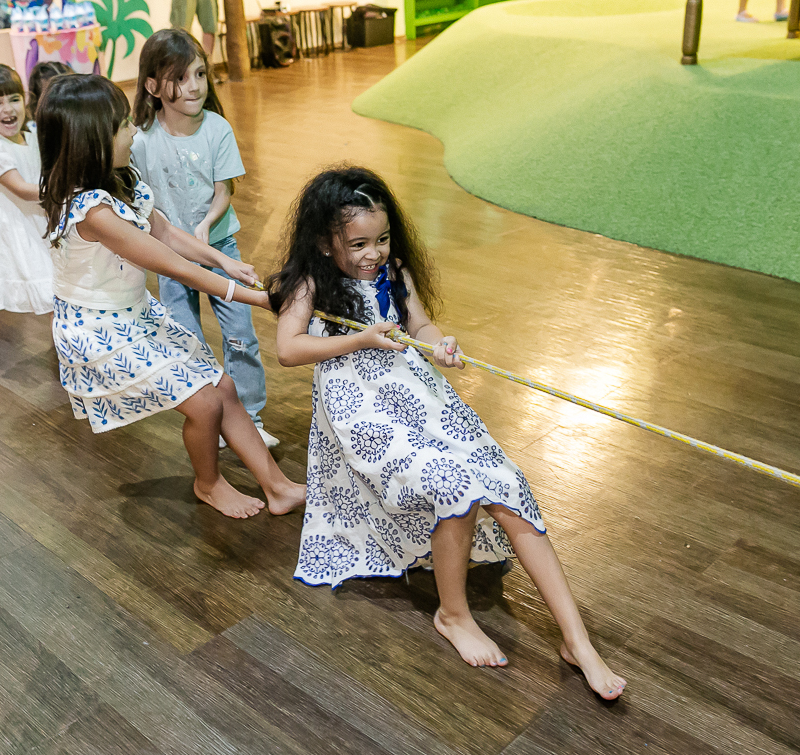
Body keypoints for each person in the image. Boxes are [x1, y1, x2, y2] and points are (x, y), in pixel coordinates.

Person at [267, 166, 627, 700]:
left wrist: (441, 344)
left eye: (382, 239)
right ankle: (453, 615)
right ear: (324, 242)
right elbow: (288, 349)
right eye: (359, 243)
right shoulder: (311, 281)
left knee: (509, 484)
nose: (374, 254)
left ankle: (578, 641)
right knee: (454, 488)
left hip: (418, 393)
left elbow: (421, 327)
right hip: (358, 406)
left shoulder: (397, 275)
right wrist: (360, 339)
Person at [36, 74, 305, 519]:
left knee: (224, 388)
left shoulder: (121, 180)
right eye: (123, 125)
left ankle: (278, 487)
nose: (135, 131)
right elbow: (170, 264)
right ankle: (209, 483)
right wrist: (252, 298)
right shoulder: (91, 211)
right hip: (98, 328)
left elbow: (163, 230)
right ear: (92, 140)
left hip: (133, 312)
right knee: (202, 404)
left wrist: (223, 261)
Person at [130, 29, 279, 449]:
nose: (194, 86)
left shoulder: (217, 128)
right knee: (186, 339)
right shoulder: (140, 140)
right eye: (180, 77)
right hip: (169, 260)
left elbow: (224, 191)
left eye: (199, 73)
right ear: (153, 86)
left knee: (241, 338)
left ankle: (248, 419)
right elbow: (143, 204)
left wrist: (208, 223)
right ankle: (212, 418)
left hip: (222, 249)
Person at [0, 64, 53, 315]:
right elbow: (22, 189)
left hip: (42, 218)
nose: (7, 109)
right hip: (17, 225)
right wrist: (67, 189)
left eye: (14, 99)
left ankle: (66, 342)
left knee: (58, 285)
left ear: (25, 100)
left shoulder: (34, 137)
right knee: (48, 287)